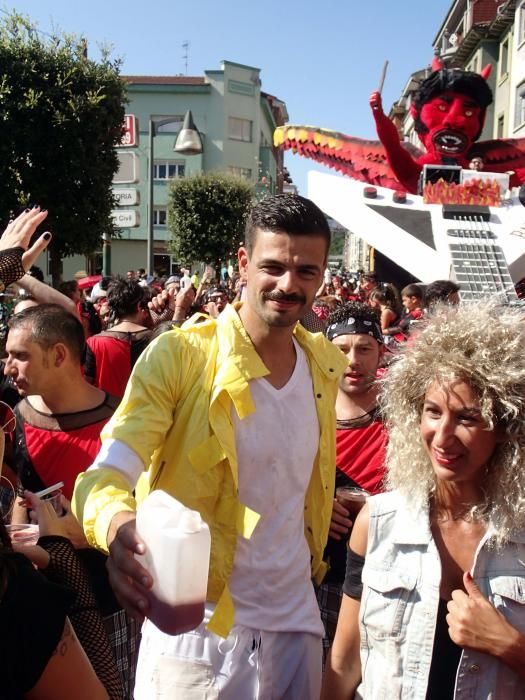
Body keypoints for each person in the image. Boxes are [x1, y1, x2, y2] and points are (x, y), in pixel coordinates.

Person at [73, 193, 348, 699]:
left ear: (323, 274)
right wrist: (118, 531)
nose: (289, 285)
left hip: (295, 626)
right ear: (243, 264)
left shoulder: (324, 365)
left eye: (306, 271)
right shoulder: (179, 357)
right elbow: (104, 474)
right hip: (195, 632)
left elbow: (286, 477)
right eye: (273, 267)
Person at [322, 302, 525, 699]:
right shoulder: (378, 522)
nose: (443, 436)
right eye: (433, 412)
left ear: (504, 426)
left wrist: (509, 645)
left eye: (466, 417)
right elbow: (345, 666)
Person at [6, 304, 138, 699]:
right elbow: (17, 499)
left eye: (20, 356)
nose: (8, 366)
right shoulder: (16, 418)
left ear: (60, 355)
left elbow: (156, 510)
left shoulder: (126, 422)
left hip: (110, 602)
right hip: (41, 612)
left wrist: (91, 534)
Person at [317, 302, 387, 662]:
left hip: (387, 573)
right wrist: (315, 509)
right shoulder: (306, 409)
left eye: (364, 348)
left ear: (381, 353)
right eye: (342, 349)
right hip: (324, 575)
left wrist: (378, 509)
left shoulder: (407, 412)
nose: (353, 360)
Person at [85, 279, 153, 398]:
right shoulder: (156, 339)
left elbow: (87, 383)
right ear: (138, 306)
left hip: (109, 413)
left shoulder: (94, 343)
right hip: (148, 413)